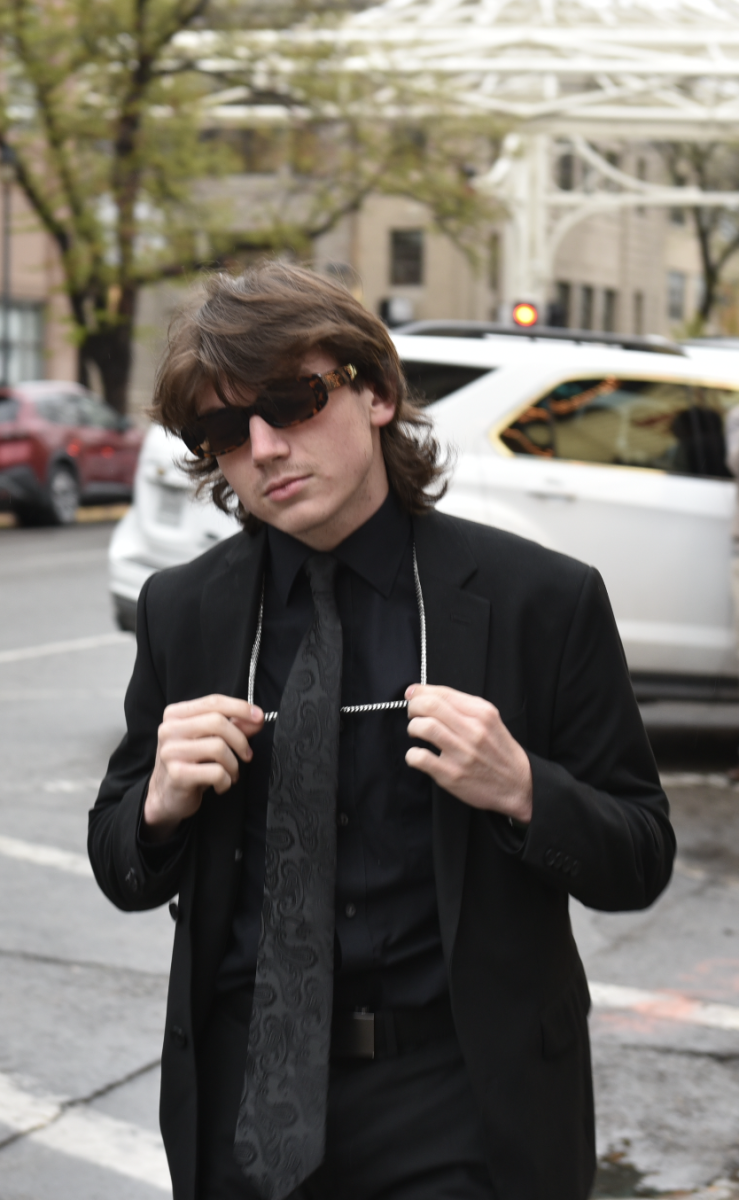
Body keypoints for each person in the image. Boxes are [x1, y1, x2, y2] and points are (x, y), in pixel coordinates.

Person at [88, 262, 675, 1200]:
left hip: (461, 1103)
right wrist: (155, 807)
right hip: (249, 1106)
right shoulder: (183, 611)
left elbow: (640, 856)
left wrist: (524, 789)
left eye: (292, 400)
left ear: (377, 394)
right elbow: (119, 861)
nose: (266, 447)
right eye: (226, 429)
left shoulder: (540, 600)